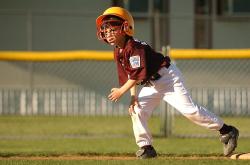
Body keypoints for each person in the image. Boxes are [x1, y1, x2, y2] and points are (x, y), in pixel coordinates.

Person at [96, 6, 239, 159]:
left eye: (113, 28)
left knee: (190, 111)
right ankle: (146, 147)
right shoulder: (118, 51)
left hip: (168, 78)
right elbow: (130, 75)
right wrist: (133, 97)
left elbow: (136, 75)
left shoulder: (134, 47)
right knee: (137, 110)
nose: (108, 33)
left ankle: (227, 131)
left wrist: (121, 91)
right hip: (151, 84)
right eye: (106, 29)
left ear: (126, 27)